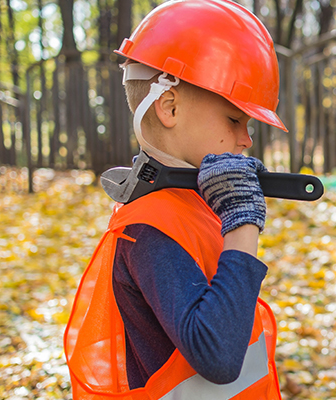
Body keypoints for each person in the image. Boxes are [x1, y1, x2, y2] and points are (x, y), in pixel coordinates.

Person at [64, 1, 286, 398]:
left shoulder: (187, 203)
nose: (246, 139)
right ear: (169, 107)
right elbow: (218, 355)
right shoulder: (150, 228)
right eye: (235, 119)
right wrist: (242, 220)